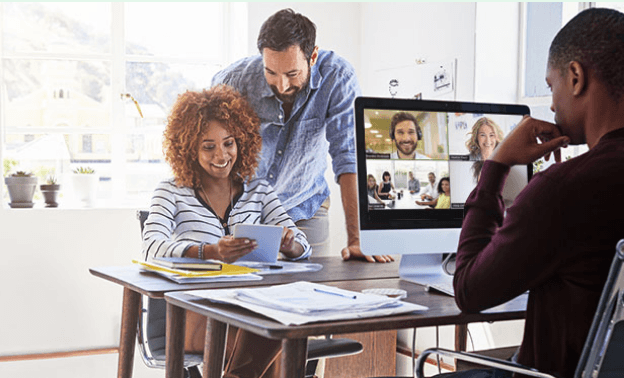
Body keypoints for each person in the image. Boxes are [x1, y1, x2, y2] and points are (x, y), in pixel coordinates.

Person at [434, 8, 624, 378]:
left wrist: (497, 166)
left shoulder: (564, 188)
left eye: (551, 86)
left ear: (575, 77)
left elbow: (469, 289)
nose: (551, 105)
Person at [142, 85, 311, 378]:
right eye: (208, 146)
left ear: (241, 142)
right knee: (276, 338)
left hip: (252, 305)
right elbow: (151, 247)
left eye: (229, 143)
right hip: (194, 312)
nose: (221, 155)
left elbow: (302, 244)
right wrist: (208, 251)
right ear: (189, 149)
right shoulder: (170, 191)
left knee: (279, 332)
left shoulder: (260, 190)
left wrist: (289, 244)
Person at [211, 8, 392, 263]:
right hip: (242, 209)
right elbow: (206, 151)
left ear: (313, 56)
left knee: (310, 287)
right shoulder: (234, 80)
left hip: (304, 205)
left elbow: (348, 156)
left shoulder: (338, 78)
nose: (281, 85)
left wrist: (356, 239)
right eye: (271, 72)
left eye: (292, 74)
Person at [465, 117, 505, 181]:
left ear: (496, 138)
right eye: (483, 135)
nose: (488, 141)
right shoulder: (467, 159)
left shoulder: (505, 160)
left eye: (491, 135)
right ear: (476, 137)